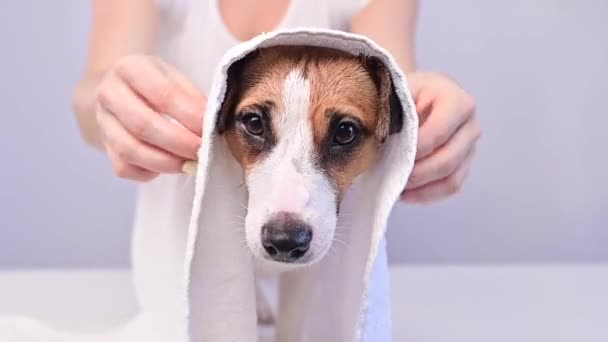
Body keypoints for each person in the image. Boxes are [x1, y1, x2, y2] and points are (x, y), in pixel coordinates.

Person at [73, 0, 481, 204]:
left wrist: (431, 105)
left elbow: (399, 79)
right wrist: (111, 103)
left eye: (342, 132)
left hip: (325, 282)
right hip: (178, 262)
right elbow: (95, 88)